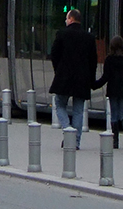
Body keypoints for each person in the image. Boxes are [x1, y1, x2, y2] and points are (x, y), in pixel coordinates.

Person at [50, 8, 98, 148]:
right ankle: (76, 142)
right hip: (82, 79)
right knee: (78, 110)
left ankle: (67, 130)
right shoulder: (89, 37)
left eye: (66, 18)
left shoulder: (62, 34)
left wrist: (58, 71)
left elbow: (54, 54)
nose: (66, 21)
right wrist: (91, 79)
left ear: (71, 19)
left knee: (59, 104)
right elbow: (93, 60)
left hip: (64, 77)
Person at [94, 35, 123, 148]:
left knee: (114, 115)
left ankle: (115, 141)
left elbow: (105, 77)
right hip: (122, 91)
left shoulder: (109, 59)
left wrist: (95, 85)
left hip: (113, 90)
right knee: (121, 113)